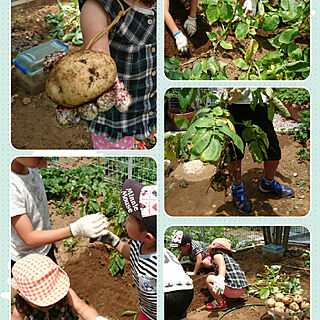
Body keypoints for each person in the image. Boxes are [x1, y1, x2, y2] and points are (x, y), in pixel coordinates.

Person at [78, 0, 156, 150]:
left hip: (146, 108)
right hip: (116, 121)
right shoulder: (98, 8)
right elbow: (99, 72)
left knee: (140, 145)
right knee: (118, 153)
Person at [11, 157, 109, 270]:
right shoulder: (11, 187)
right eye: (39, 157)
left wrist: (49, 239)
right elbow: (29, 237)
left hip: (44, 248)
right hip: (27, 262)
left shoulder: (30, 167)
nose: (44, 165)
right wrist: (74, 229)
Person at [224, 88, 295, 213]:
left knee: (272, 151)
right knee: (234, 152)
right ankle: (237, 188)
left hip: (259, 101)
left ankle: (268, 182)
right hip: (231, 104)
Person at [100, 179, 157, 320]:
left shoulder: (158, 263)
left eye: (129, 220)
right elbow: (131, 253)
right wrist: (114, 241)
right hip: (146, 310)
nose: (125, 221)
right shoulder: (140, 244)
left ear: (148, 237)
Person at [11, 253, 109, 320]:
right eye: (41, 303)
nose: (47, 305)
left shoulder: (66, 294)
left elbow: (83, 309)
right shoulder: (21, 304)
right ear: (24, 296)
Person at [205, 238, 248, 311]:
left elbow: (222, 265)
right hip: (242, 290)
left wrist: (220, 278)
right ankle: (229, 297)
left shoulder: (217, 255)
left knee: (209, 279)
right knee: (223, 280)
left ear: (215, 249)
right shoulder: (230, 259)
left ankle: (220, 303)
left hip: (232, 291)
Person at [164, 248, 194, 320]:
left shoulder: (144, 251)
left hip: (168, 292)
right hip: (188, 290)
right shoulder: (167, 252)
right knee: (178, 314)